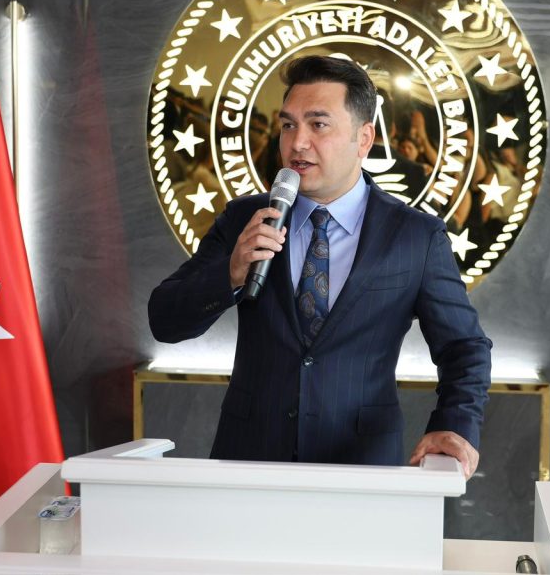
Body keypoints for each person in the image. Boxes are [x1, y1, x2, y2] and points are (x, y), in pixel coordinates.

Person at [148, 55, 492, 478]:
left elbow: (464, 347)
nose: (297, 143)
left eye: (318, 125)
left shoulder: (415, 237)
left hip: (363, 469)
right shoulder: (245, 219)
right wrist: (230, 274)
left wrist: (454, 425)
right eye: (288, 125)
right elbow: (164, 320)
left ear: (364, 138)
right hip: (249, 464)